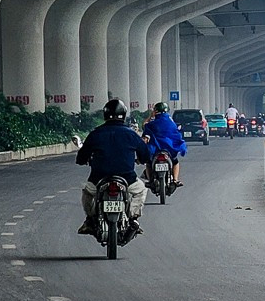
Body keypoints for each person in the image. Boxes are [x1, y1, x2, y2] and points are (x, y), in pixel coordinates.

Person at [75, 99, 149, 238]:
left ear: (105, 115)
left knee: (87, 192)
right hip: (127, 179)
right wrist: (142, 159)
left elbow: (81, 156)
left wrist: (82, 160)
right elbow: (145, 154)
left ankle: (90, 220)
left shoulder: (95, 134)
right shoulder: (131, 134)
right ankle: (132, 218)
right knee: (141, 190)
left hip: (99, 179)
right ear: (124, 115)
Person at [142, 101, 187, 187]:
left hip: (156, 148)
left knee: (148, 162)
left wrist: (150, 117)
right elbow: (176, 134)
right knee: (175, 161)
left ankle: (150, 181)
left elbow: (144, 127)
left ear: (155, 111)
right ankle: (175, 180)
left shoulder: (152, 124)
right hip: (170, 148)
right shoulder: (171, 122)